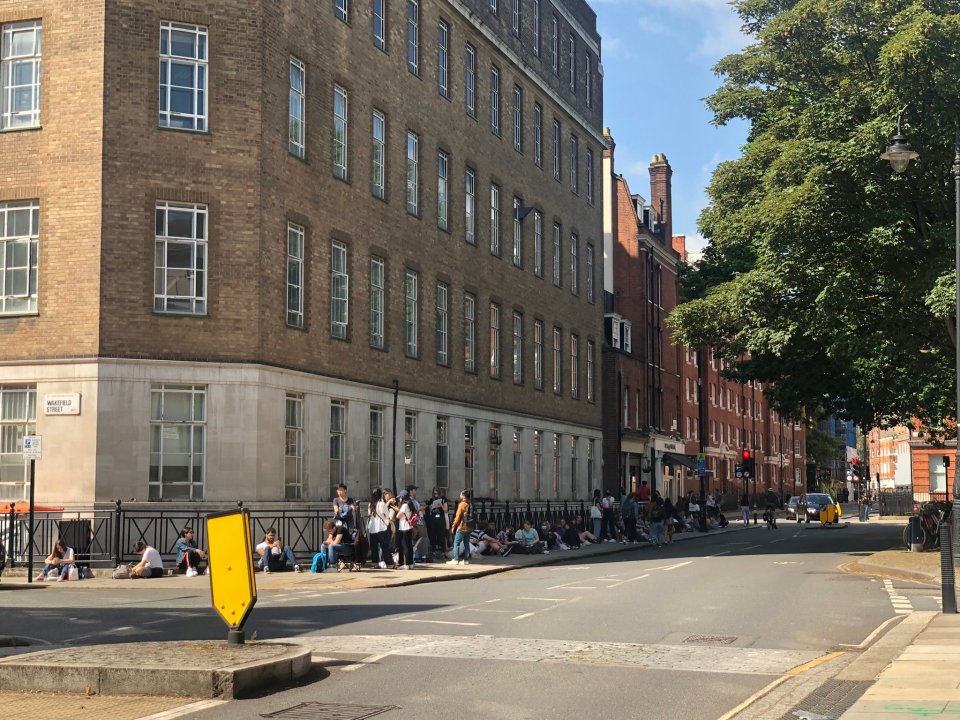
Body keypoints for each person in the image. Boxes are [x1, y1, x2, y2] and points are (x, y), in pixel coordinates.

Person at [368, 489, 393, 568]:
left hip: (372, 528)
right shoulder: (382, 504)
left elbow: (369, 515)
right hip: (381, 527)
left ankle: (375, 563)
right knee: (385, 546)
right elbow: (387, 515)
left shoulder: (370, 505)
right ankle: (389, 563)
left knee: (374, 547)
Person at [448, 489, 474, 565]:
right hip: (469, 526)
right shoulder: (470, 503)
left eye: (461, 494)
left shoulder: (462, 504)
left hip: (462, 526)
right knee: (466, 543)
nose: (459, 495)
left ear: (463, 496)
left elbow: (457, 517)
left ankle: (456, 559)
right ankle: (466, 560)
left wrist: (453, 526)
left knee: (456, 543)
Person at [426, 487, 449, 560]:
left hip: (441, 517)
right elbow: (429, 510)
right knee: (433, 533)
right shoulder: (431, 499)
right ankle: (434, 551)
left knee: (441, 534)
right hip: (433, 517)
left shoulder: (443, 499)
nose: (436, 495)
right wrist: (432, 506)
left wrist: (441, 505)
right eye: (434, 493)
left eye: (437, 493)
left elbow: (446, 510)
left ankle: (443, 552)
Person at [395, 491, 416, 569]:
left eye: (400, 497)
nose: (399, 499)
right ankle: (410, 563)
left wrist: (398, 510)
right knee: (409, 546)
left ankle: (406, 564)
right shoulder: (410, 504)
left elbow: (398, 516)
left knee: (404, 546)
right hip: (409, 527)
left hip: (404, 527)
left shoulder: (404, 505)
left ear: (402, 497)